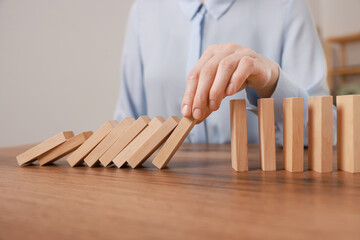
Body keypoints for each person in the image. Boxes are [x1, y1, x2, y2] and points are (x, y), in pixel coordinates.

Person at [114, 0, 336, 145]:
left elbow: (330, 134)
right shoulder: (143, 11)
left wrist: (274, 85)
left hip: (259, 200)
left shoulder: (287, 7)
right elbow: (126, 126)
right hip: (158, 199)